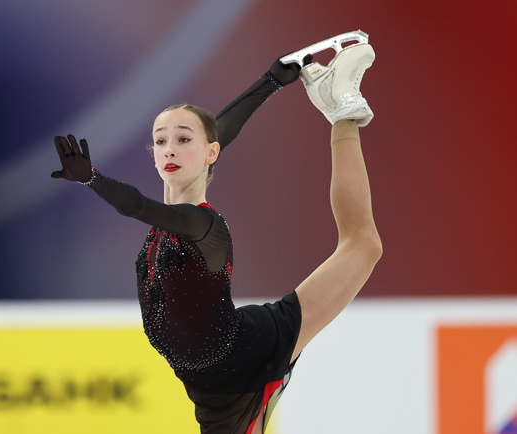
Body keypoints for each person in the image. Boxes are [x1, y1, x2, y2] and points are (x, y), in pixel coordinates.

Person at [51, 35, 382, 434]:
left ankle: (342, 108)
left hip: (247, 357)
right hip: (212, 389)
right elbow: (217, 133)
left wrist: (92, 179)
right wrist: (270, 82)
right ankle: (334, 102)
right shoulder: (168, 224)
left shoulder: (202, 225)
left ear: (210, 153)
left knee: (363, 244)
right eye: (161, 141)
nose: (170, 149)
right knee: (362, 246)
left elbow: (136, 205)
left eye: (183, 139)